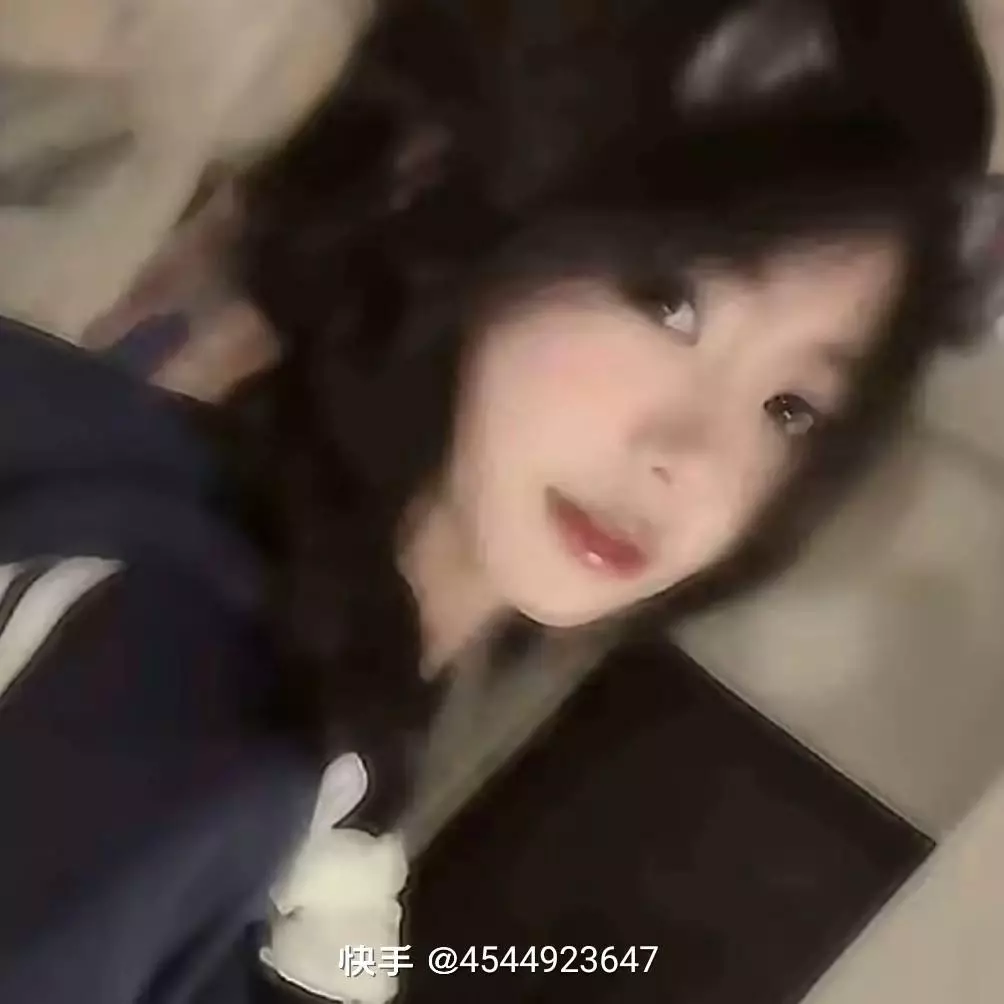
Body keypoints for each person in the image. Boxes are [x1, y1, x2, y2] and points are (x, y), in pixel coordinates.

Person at [0, 0, 995, 1002]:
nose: (688, 457)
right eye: (667, 301)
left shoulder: (328, 735)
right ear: (481, 213)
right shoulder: (179, 672)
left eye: (791, 407)